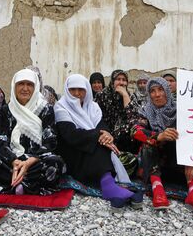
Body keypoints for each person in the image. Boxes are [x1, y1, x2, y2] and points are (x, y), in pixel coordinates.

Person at [0, 68, 65, 195]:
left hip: (35, 159)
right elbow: (1, 141)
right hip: (9, 159)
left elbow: (50, 141)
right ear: (14, 86)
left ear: (35, 87)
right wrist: (14, 161)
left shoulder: (45, 109)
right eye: (21, 84)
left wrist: (29, 161)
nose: (25, 88)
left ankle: (11, 181)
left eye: (29, 84)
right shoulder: (6, 110)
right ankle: (26, 182)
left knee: (56, 162)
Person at [55, 74, 141, 210]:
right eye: (73, 89)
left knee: (104, 143)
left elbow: (102, 126)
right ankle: (109, 186)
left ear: (87, 90)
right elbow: (71, 135)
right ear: (67, 90)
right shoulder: (61, 107)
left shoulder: (93, 106)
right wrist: (99, 136)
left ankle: (109, 184)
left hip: (90, 149)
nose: (77, 93)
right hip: (72, 152)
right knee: (99, 144)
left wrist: (106, 136)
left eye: (81, 89)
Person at [132, 77, 193, 215]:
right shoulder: (145, 111)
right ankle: (157, 189)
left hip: (182, 166)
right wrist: (158, 136)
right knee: (148, 145)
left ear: (168, 91)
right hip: (157, 165)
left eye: (160, 90)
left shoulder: (183, 111)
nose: (157, 94)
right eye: (152, 91)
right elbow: (135, 130)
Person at [95, 70, 140, 155]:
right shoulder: (102, 96)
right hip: (106, 136)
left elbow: (133, 117)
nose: (121, 83)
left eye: (124, 80)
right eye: (118, 79)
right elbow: (96, 118)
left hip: (125, 139)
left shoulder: (130, 96)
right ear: (112, 81)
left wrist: (125, 95)